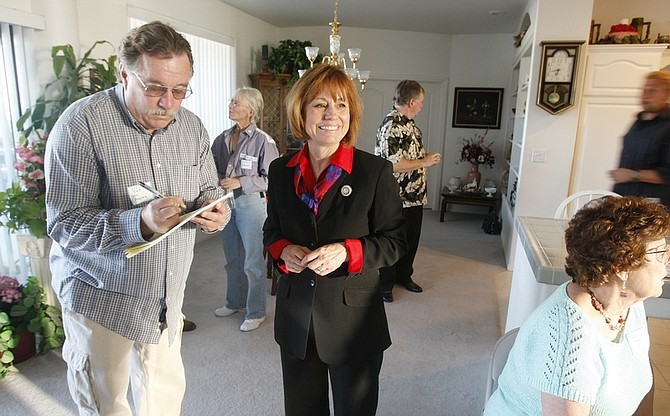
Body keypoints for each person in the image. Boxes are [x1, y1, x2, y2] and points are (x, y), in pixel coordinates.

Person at [45, 21, 230, 415]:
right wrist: (139, 224)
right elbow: (65, 224)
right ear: (124, 74)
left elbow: (208, 187)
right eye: (155, 88)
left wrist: (216, 210)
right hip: (101, 296)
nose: (169, 102)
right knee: (105, 403)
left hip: (166, 295)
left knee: (163, 399)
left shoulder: (192, 127)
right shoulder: (81, 126)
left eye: (180, 90)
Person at [263, 64, 407, 416]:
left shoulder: (374, 171)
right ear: (302, 111)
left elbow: (395, 241)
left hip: (353, 322)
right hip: (296, 316)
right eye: (320, 104)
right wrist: (286, 251)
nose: (331, 115)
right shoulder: (281, 171)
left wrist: (347, 252)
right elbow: (272, 230)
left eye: (341, 105)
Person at [484, 195, 670, 416]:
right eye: (660, 253)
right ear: (622, 267)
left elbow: (640, 373)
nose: (667, 260)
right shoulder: (571, 335)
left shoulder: (630, 303)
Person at [211, 87, 279, 332]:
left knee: (252, 261)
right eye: (231, 101)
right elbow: (213, 169)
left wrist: (241, 182)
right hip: (226, 202)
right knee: (232, 259)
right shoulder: (223, 138)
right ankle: (235, 301)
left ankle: (256, 311)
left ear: (250, 110)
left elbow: (273, 178)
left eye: (236, 102)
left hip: (251, 203)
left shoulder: (263, 141)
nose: (230, 105)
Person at [374, 80, 441, 302]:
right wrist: (425, 161)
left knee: (411, 241)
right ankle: (385, 284)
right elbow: (394, 164)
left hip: (415, 197)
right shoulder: (392, 125)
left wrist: (425, 158)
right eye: (420, 102)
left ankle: (404, 276)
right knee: (392, 241)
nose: (422, 106)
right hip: (396, 197)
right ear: (411, 102)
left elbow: (411, 158)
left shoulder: (411, 125)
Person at [609, 71, 670, 207]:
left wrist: (632, 175)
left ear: (666, 94)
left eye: (652, 91)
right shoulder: (638, 121)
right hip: (623, 199)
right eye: (644, 90)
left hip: (651, 207)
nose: (645, 95)